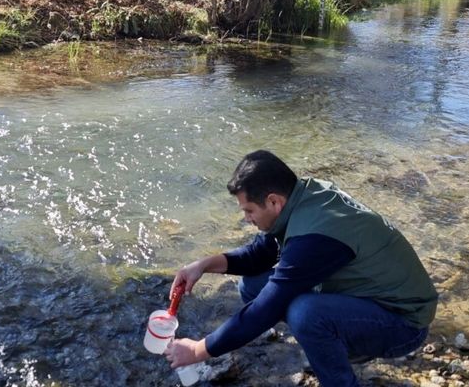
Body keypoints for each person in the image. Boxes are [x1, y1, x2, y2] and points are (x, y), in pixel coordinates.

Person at [163, 150, 438, 386]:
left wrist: (198, 350)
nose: (246, 218)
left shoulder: (314, 238)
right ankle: (328, 344)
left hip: (404, 323)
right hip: (369, 295)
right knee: (252, 285)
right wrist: (203, 265)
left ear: (273, 201)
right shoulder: (302, 196)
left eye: (248, 211)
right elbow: (259, 255)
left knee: (305, 313)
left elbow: (265, 309)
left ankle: (339, 369)